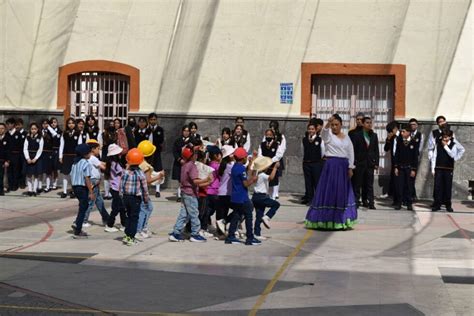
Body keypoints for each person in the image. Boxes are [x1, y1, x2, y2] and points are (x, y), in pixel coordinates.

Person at [305, 114, 357, 230]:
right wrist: (327, 123)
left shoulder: (347, 137)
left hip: (343, 166)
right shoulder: (329, 136)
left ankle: (342, 220)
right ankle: (325, 220)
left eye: (336, 125)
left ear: (341, 125)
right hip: (331, 166)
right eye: (333, 125)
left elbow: (350, 152)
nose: (334, 127)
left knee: (342, 192)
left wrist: (350, 167)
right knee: (329, 191)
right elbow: (323, 133)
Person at [168, 147, 211, 242]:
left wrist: (206, 183)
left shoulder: (184, 165)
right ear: (192, 156)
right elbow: (195, 181)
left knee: (184, 214)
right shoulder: (192, 166)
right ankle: (195, 234)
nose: (196, 155)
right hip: (190, 194)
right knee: (194, 213)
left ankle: (176, 232)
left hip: (184, 192)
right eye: (195, 154)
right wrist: (206, 180)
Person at [225, 148, 261, 245]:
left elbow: (245, 173)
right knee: (249, 216)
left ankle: (230, 236)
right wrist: (253, 179)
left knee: (236, 216)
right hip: (242, 197)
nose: (246, 157)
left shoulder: (235, 167)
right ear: (242, 158)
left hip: (235, 197)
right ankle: (250, 238)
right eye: (245, 156)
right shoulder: (241, 169)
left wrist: (251, 162)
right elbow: (245, 183)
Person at [120, 148, 150, 246]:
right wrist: (146, 199)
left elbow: (121, 185)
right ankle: (131, 237)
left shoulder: (125, 172)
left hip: (126, 197)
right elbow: (144, 188)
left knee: (128, 216)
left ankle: (126, 235)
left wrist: (122, 196)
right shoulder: (140, 173)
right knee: (134, 218)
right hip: (135, 198)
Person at [430, 129, 465, 212]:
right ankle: (437, 204)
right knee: (438, 187)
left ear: (450, 137)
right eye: (443, 137)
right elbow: (434, 156)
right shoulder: (438, 143)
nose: (444, 139)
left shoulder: (453, 144)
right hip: (438, 168)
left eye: (446, 137)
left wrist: (446, 147)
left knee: (447, 187)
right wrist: (433, 168)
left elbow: (453, 154)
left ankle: (448, 205)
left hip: (448, 169)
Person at [136, 140, 164, 239]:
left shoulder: (138, 162)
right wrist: (159, 176)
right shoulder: (146, 166)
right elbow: (148, 180)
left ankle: (142, 228)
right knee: (145, 209)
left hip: (138, 190)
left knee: (145, 208)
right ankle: (140, 230)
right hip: (143, 191)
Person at [350, 116, 379, 209]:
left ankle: (370, 202)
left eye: (370, 122)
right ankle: (356, 201)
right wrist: (353, 162)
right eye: (367, 122)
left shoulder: (374, 135)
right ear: (362, 124)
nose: (369, 124)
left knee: (369, 184)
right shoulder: (357, 135)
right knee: (357, 183)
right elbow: (353, 149)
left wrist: (376, 163)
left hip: (370, 163)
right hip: (359, 163)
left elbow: (376, 150)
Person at [81, 140, 109, 227]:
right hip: (93, 181)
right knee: (91, 202)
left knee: (99, 202)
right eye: (98, 149)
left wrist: (112, 163)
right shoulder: (93, 158)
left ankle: (106, 219)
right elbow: (103, 166)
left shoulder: (90, 158)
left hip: (94, 182)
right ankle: (83, 220)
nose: (99, 151)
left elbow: (102, 163)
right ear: (93, 149)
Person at [251, 157, 280, 241]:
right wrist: (275, 168)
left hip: (255, 197)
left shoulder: (256, 175)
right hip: (261, 197)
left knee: (259, 215)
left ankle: (257, 233)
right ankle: (267, 217)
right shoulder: (262, 175)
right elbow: (271, 178)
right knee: (276, 204)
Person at [70, 144, 95, 239]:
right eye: (89, 152)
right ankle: (78, 227)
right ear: (85, 154)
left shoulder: (75, 163)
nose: (90, 154)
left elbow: (71, 175)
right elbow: (87, 178)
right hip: (82, 187)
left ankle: (77, 223)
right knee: (84, 207)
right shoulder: (86, 163)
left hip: (75, 187)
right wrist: (91, 192)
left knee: (82, 205)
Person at [393, 124, 418, 211]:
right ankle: (399, 203)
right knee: (400, 186)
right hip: (400, 167)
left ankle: (409, 203)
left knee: (409, 186)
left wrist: (414, 169)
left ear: (409, 132)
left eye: (404, 131)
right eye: (401, 131)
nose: (402, 133)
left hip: (409, 168)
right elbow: (396, 154)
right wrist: (396, 167)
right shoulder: (399, 141)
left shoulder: (414, 142)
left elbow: (415, 157)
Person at [104, 144, 127, 233]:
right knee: (116, 208)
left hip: (117, 188)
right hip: (116, 188)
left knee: (122, 207)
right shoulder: (115, 164)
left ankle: (123, 224)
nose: (120, 154)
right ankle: (109, 224)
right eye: (118, 153)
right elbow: (123, 173)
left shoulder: (112, 163)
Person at [302, 119, 325, 205]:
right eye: (309, 129)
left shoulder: (320, 140)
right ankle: (310, 199)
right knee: (308, 182)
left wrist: (318, 159)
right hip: (306, 163)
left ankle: (318, 199)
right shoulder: (304, 139)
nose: (311, 131)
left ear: (315, 130)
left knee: (317, 182)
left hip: (316, 163)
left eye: (312, 129)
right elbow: (302, 150)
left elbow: (323, 152)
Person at [215, 145, 236, 236]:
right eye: (232, 153)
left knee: (222, 212)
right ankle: (223, 225)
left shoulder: (224, 165)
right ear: (229, 156)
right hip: (226, 193)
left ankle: (221, 232)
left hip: (222, 192)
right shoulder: (229, 166)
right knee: (238, 209)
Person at [59, 118, 81, 198]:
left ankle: (73, 191)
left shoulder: (78, 133)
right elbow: (61, 145)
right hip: (66, 155)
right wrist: (60, 156)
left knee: (73, 174)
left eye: (72, 123)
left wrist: (79, 157)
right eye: (69, 123)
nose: (71, 125)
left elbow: (79, 145)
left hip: (74, 156)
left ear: (75, 124)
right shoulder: (64, 133)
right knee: (65, 174)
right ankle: (64, 191)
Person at [23, 122, 44, 197]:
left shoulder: (40, 138)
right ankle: (30, 189)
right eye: (32, 129)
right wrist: (27, 158)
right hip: (29, 156)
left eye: (35, 129)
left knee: (36, 174)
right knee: (29, 174)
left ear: (37, 129)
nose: (33, 130)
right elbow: (25, 149)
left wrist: (35, 158)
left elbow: (40, 149)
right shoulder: (27, 137)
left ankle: (35, 189)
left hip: (36, 157)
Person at [172, 125, 191, 201]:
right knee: (180, 179)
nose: (186, 133)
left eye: (187, 131)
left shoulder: (192, 140)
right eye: (185, 131)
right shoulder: (178, 141)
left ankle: (187, 194)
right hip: (180, 163)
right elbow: (174, 151)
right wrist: (179, 159)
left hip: (189, 163)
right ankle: (179, 195)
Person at [148, 112, 165, 198]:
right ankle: (146, 188)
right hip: (147, 154)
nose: (153, 121)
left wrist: (154, 133)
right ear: (149, 120)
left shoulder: (160, 130)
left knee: (158, 170)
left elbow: (161, 140)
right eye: (151, 119)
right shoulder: (146, 129)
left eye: (154, 119)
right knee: (147, 170)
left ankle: (157, 190)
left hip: (156, 152)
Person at [382, 120, 400, 205]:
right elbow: (386, 149)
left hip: (402, 161)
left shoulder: (402, 135)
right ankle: (394, 197)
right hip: (394, 160)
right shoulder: (391, 137)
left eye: (390, 131)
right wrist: (388, 139)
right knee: (394, 179)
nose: (389, 133)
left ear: (395, 129)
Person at [6, 117, 25, 192]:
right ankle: (10, 185)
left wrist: (20, 156)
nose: (8, 126)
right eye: (7, 124)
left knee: (16, 170)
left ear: (13, 124)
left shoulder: (18, 134)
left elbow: (21, 146)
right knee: (9, 171)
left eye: (9, 124)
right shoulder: (7, 134)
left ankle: (15, 185)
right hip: (9, 155)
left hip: (16, 155)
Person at [409, 118, 424, 201]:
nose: (412, 126)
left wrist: (417, 157)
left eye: (414, 124)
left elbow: (420, 148)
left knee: (412, 177)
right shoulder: (407, 134)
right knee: (407, 178)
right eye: (411, 124)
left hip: (415, 159)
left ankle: (412, 195)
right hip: (407, 158)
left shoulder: (420, 135)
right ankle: (411, 195)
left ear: (417, 125)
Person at [49, 117, 62, 190]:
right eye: (52, 122)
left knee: (55, 168)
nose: (53, 124)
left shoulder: (59, 131)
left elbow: (56, 138)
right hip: (50, 151)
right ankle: (50, 182)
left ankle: (55, 183)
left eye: (55, 122)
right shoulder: (48, 131)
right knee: (50, 168)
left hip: (56, 150)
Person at [0, 123, 10, 196]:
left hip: (3, 160)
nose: (1, 130)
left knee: (1, 175)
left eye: (2, 128)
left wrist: (7, 160)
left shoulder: (7, 138)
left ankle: (1, 190)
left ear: (5, 129)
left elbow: (9, 151)